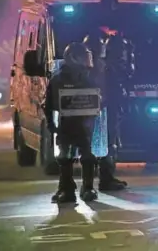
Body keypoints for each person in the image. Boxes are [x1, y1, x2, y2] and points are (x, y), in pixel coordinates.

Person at [46, 43, 100, 203]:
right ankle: (66, 189)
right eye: (83, 57)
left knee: (88, 157)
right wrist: (51, 124)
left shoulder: (90, 78)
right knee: (65, 158)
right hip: (67, 125)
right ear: (74, 58)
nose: (87, 61)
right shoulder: (58, 79)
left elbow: (99, 100)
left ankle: (88, 187)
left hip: (86, 125)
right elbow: (49, 104)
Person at [99, 32, 134, 191]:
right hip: (108, 111)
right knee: (108, 144)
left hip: (111, 110)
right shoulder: (108, 67)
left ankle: (107, 177)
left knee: (110, 144)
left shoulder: (110, 66)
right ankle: (106, 179)